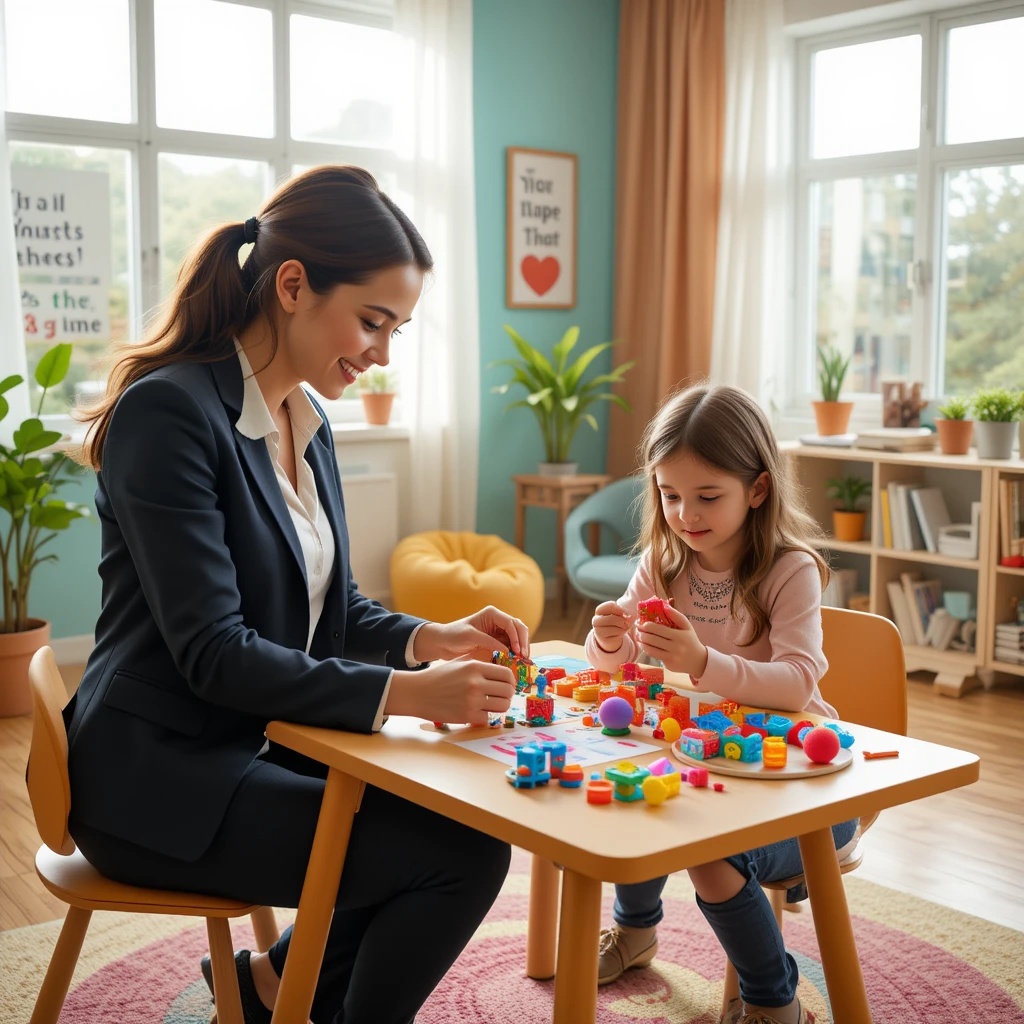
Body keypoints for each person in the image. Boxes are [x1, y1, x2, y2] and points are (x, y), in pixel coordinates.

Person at [65, 165, 525, 1024]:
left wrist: (435, 638)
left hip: (248, 746)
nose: (383, 352)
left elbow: (334, 609)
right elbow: (214, 651)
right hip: (159, 777)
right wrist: (406, 694)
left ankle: (277, 986)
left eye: (398, 330)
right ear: (291, 286)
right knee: (457, 853)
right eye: (372, 322)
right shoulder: (167, 415)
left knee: (452, 814)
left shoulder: (304, 423)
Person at [584, 383, 857, 1024]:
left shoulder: (789, 569)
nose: (685, 513)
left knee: (710, 853)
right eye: (669, 494)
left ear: (758, 489)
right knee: (636, 790)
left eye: (708, 496)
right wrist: (607, 639)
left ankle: (773, 1001)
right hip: (712, 765)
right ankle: (635, 930)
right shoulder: (664, 559)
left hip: (805, 787)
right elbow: (613, 668)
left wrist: (702, 663)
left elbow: (796, 680)